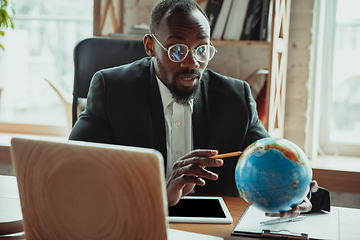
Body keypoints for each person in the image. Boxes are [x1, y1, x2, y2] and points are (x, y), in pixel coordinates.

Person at [69, 0, 323, 217]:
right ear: (150, 46)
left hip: (216, 229)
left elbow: (271, 159)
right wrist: (160, 195)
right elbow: (74, 171)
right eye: (177, 50)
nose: (192, 62)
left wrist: (292, 194)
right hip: (137, 220)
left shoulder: (236, 97)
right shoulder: (113, 89)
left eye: (202, 49)